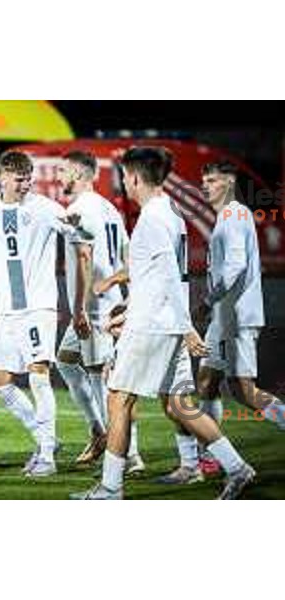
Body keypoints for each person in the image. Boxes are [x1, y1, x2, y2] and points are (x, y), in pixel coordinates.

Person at [70, 146, 255, 500]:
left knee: (118, 398)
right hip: (162, 321)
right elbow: (154, 277)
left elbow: (170, 275)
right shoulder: (171, 213)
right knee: (178, 404)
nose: (124, 183)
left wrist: (185, 326)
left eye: (124, 176)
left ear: (135, 177)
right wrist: (128, 308)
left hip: (155, 325)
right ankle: (237, 467)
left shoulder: (152, 218)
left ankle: (110, 487)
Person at [158, 160, 285, 483]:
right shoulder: (230, 216)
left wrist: (207, 300)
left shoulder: (234, 214)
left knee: (245, 392)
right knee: (207, 384)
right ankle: (207, 458)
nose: (205, 186)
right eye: (204, 180)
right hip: (224, 318)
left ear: (229, 182)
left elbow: (235, 266)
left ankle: (207, 458)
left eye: (212, 180)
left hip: (236, 316)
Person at [0, 150, 84, 477]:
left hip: (37, 308)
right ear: (3, 178)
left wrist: (75, 226)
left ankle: (47, 455)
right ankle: (46, 438)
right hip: (4, 311)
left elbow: (76, 231)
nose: (25, 184)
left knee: (38, 374)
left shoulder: (44, 208)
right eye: (20, 179)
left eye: (29, 178)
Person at [56, 150, 143, 474]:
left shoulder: (79, 209)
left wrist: (79, 309)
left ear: (78, 174)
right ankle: (98, 433)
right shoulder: (109, 208)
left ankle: (128, 455)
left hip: (93, 311)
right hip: (106, 303)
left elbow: (83, 258)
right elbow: (128, 256)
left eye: (63, 170)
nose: (59, 176)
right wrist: (126, 293)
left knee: (103, 381)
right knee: (64, 361)